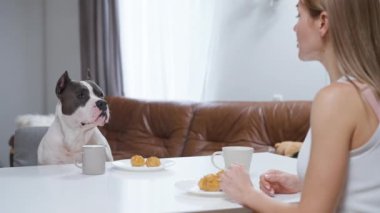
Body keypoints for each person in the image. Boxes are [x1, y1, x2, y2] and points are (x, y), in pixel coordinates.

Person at [220, 0, 380, 212]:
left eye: (299, 16)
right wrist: (305, 184)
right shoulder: (369, 91)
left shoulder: (336, 99)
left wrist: (246, 193)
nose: (295, 27)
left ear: (323, 22)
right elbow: (367, 183)